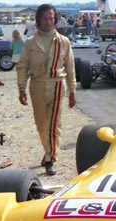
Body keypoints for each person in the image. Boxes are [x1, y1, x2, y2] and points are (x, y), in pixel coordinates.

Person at [17, 4, 76, 176]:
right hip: (37, 84)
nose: (49, 22)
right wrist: (21, 88)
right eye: (45, 18)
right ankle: (48, 150)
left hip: (57, 84)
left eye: (51, 18)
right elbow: (22, 66)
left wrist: (73, 91)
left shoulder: (63, 42)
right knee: (41, 124)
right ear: (38, 20)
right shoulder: (30, 43)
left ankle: (51, 159)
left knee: (54, 124)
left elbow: (70, 68)